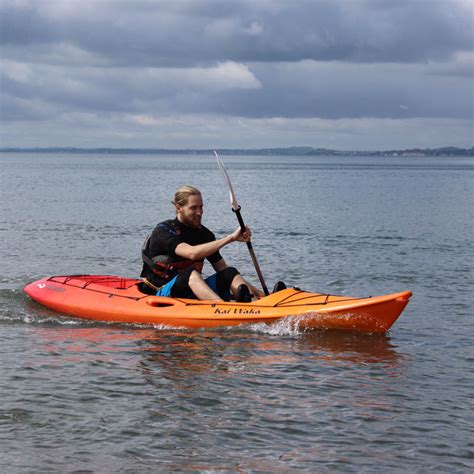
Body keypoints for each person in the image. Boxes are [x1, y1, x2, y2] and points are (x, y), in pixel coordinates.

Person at [141, 185, 264, 302]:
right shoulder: (164, 230)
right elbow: (191, 253)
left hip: (191, 290)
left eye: (201, 207)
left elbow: (221, 268)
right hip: (161, 292)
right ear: (179, 208)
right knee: (191, 273)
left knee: (229, 272)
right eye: (193, 208)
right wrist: (231, 238)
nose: (199, 212)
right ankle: (222, 310)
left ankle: (255, 305)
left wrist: (259, 293)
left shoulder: (205, 235)